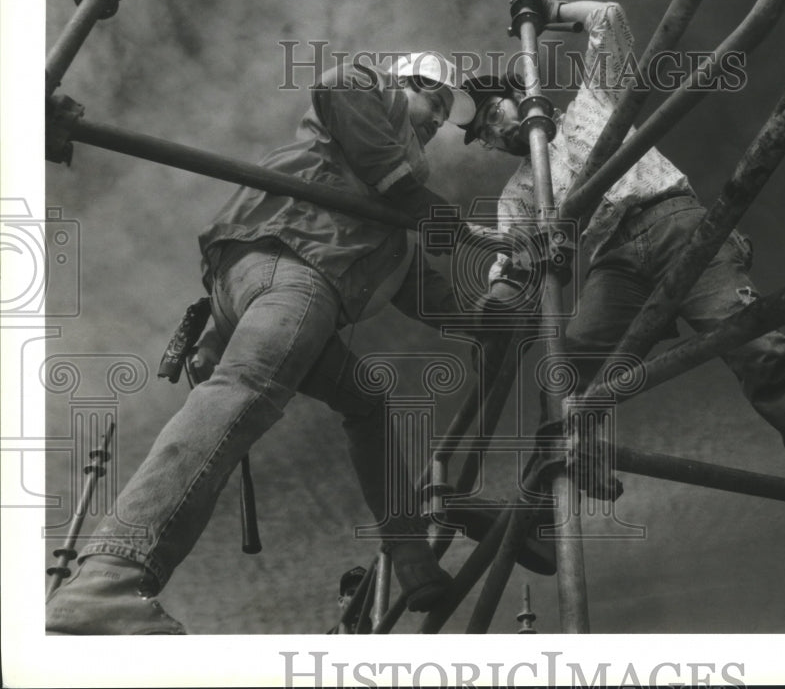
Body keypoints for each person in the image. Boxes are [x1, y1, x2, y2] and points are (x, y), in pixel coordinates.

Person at [47, 52, 481, 635]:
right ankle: (107, 582)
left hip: (275, 283)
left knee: (367, 399)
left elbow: (413, 284)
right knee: (245, 389)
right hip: (289, 264)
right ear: (410, 83)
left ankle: (411, 557)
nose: (436, 123)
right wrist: (423, 204)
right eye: (437, 103)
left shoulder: (387, 196)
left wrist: (494, 318)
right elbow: (338, 86)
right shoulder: (369, 98)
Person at [460, 0, 785, 542]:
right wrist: (499, 290)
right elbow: (513, 257)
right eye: (482, 134)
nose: (491, 134)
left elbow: (608, 20)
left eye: (492, 116)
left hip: (676, 222)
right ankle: (535, 519)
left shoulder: (593, 101)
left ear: (518, 95)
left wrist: (550, 9)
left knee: (755, 345)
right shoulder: (521, 191)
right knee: (564, 369)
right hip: (613, 264)